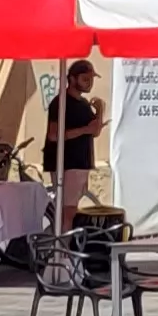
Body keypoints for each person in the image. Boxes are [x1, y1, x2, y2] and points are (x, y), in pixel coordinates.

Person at [45, 61, 104, 218]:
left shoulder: (84, 104)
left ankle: (65, 233)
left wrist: (100, 111)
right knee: (68, 210)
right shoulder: (60, 102)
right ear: (72, 79)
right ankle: (64, 234)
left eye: (91, 79)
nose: (89, 83)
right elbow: (53, 135)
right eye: (85, 79)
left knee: (71, 209)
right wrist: (84, 130)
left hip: (81, 162)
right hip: (67, 163)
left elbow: (95, 131)